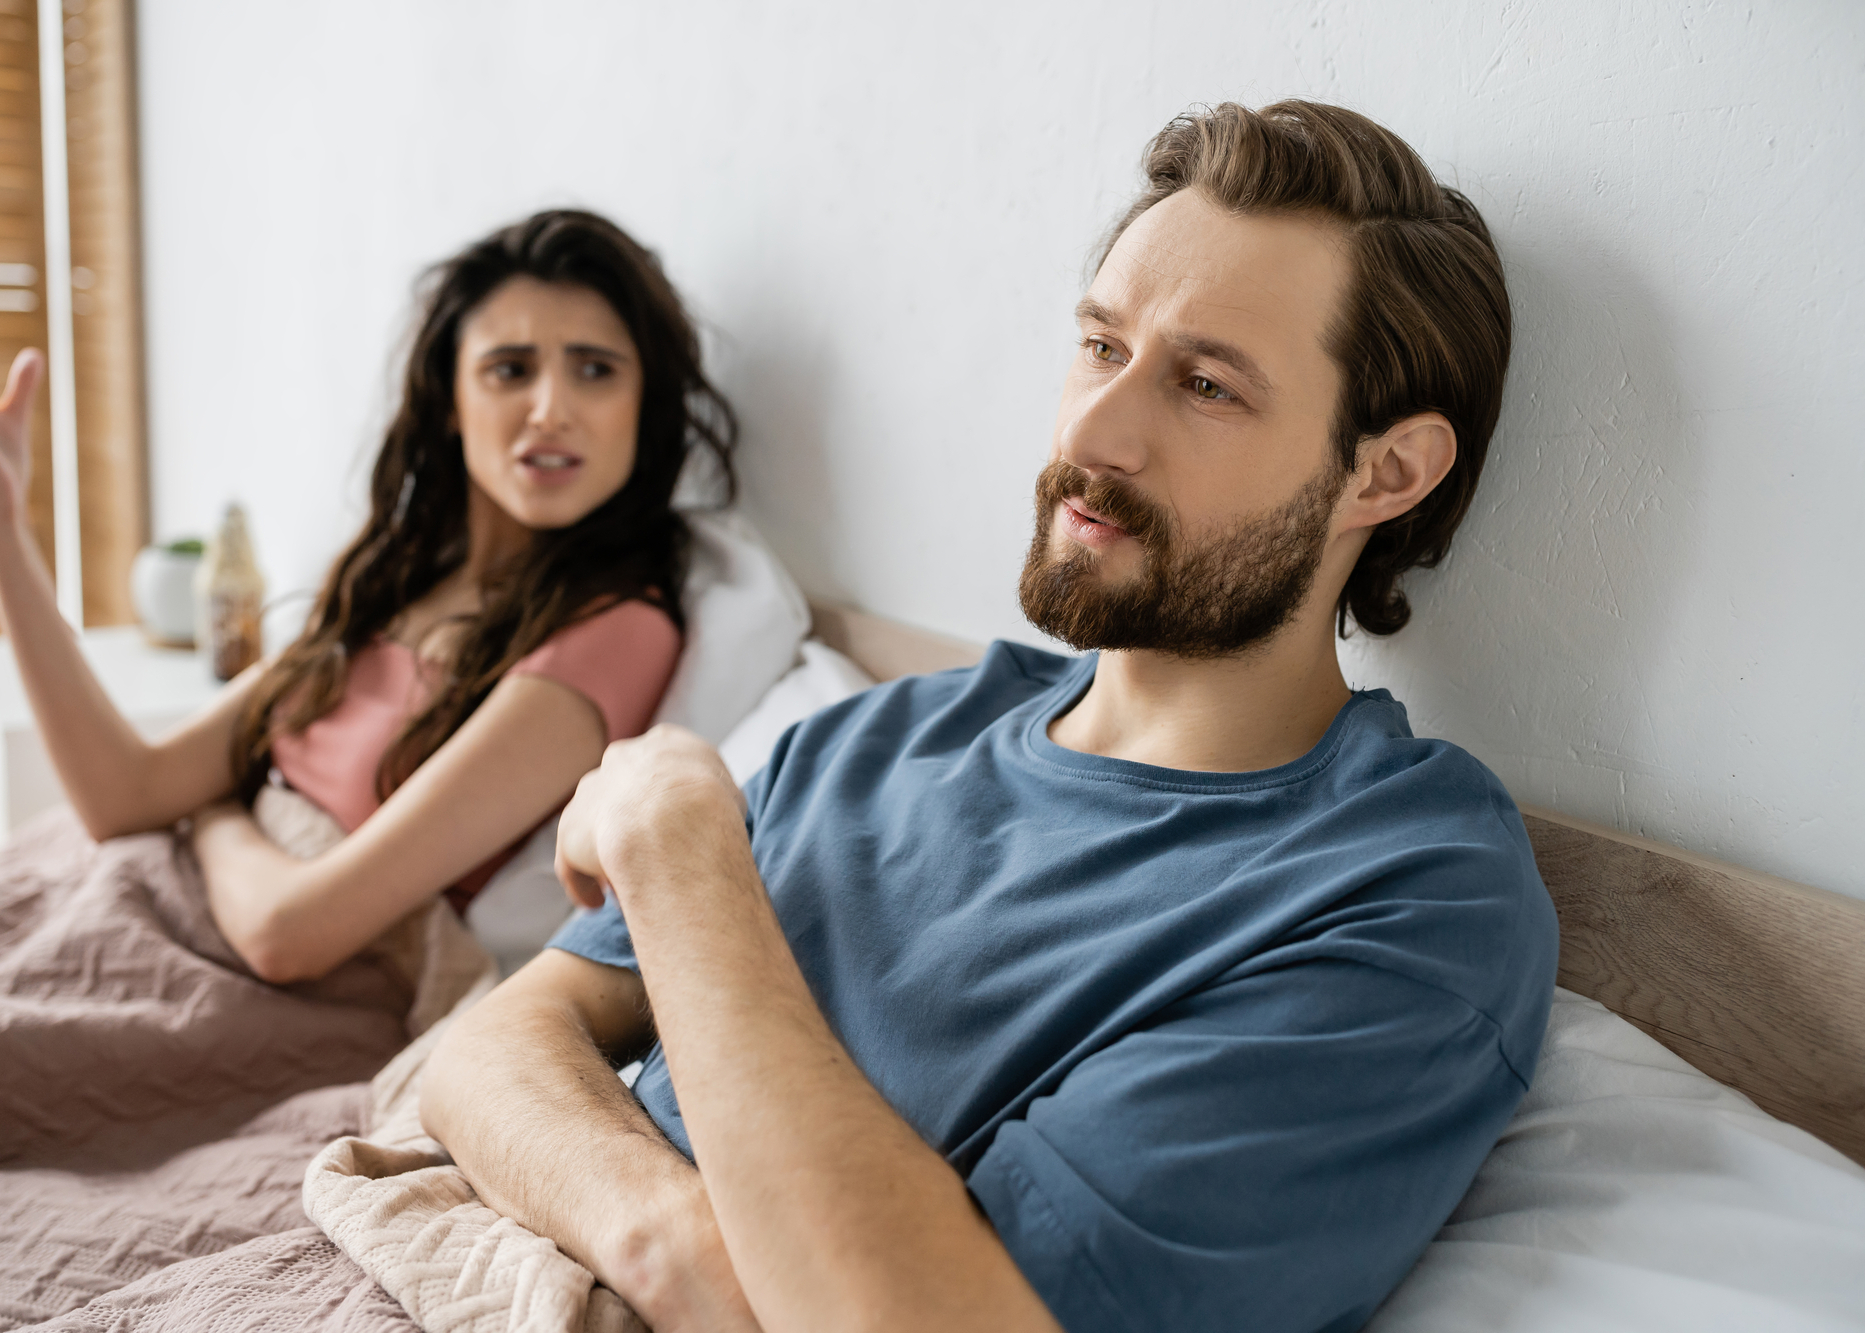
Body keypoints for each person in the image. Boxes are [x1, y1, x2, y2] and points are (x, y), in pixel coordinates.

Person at [419, 100, 1560, 1333]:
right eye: (1100, 346)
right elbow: (489, 1052)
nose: (1089, 432)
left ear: (1382, 473)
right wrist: (681, 1241)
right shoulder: (891, 732)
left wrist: (680, 851)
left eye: (1207, 386)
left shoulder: (1409, 894)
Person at [0, 210, 735, 984]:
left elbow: (291, 934)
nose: (551, 408)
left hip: (268, 993)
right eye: (510, 369)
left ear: (642, 406)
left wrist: (218, 812)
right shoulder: (390, 585)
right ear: (450, 403)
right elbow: (124, 794)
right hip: (161, 906)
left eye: (595, 369)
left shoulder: (611, 633)